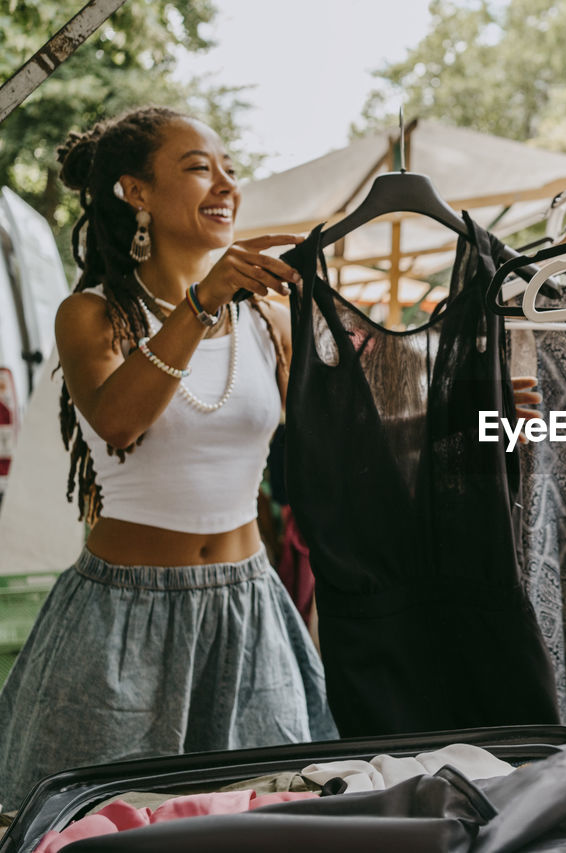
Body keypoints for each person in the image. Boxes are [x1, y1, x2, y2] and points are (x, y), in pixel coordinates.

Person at [0, 106, 340, 810]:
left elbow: (332, 434)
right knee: (109, 825)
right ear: (136, 192)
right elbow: (120, 421)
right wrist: (204, 300)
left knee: (265, 817)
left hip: (250, 612)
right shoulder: (92, 314)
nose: (224, 184)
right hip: (123, 622)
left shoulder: (265, 320)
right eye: (197, 168)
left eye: (229, 170)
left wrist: (467, 412)